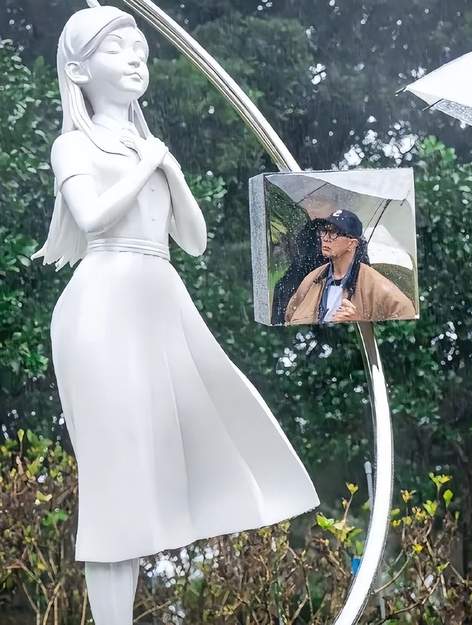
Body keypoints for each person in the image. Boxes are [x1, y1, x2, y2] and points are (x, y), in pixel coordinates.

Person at [32, 4, 319, 624]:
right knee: (115, 482)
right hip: (102, 306)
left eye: (139, 47)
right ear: (78, 70)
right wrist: (146, 163)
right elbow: (91, 218)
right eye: (116, 49)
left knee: (165, 462)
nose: (135, 58)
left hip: (159, 302)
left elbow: (193, 238)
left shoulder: (149, 148)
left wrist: (168, 166)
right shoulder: (73, 144)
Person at [284, 209, 416, 324]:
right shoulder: (312, 279)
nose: (326, 238)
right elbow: (289, 317)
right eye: (324, 231)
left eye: (334, 233)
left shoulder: (376, 285)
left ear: (352, 244)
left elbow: (405, 315)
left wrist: (360, 322)